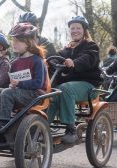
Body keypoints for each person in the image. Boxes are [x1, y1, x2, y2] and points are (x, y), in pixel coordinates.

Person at [0, 23, 48, 131]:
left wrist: (19, 84)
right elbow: (12, 80)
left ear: (28, 43)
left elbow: (38, 83)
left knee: (7, 93)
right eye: (13, 41)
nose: (13, 44)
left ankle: (3, 125)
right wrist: (12, 84)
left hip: (35, 95)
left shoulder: (37, 60)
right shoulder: (14, 63)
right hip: (18, 92)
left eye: (17, 41)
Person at [46, 16, 103, 144]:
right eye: (72, 28)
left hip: (88, 86)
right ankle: (41, 125)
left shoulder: (91, 46)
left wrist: (74, 63)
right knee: (51, 93)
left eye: (78, 28)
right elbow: (56, 58)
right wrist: (47, 62)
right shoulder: (66, 49)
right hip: (67, 86)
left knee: (65, 89)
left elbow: (88, 59)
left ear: (84, 30)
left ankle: (70, 129)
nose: (75, 31)